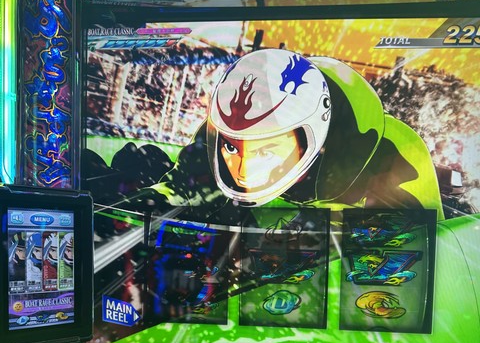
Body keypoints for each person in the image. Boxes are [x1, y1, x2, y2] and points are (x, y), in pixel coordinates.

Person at [124, 48, 445, 224]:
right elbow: (174, 193)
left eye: (264, 151)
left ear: (311, 139)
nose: (243, 171)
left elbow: (432, 250)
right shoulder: (218, 133)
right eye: (233, 148)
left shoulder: (392, 154)